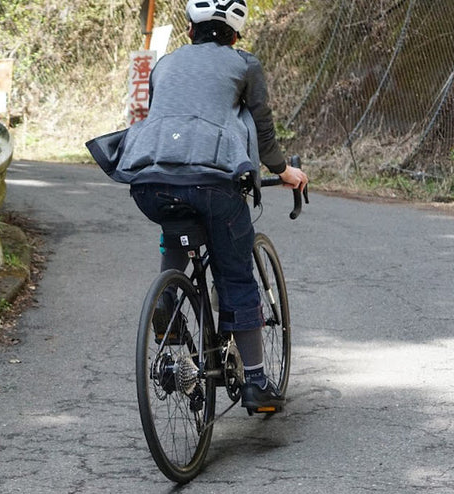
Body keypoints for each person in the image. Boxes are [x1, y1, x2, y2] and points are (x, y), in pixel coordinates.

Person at [111, 0, 308, 413]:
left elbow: (170, 120)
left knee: (177, 224)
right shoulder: (245, 65)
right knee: (236, 276)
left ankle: (167, 296)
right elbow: (263, 126)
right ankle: (255, 382)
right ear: (235, 36)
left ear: (188, 32)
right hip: (214, 184)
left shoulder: (163, 66)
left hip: (150, 181)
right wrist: (283, 170)